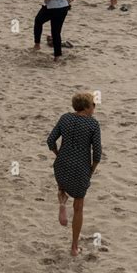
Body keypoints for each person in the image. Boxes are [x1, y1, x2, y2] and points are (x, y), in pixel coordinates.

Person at [47, 93, 102, 257]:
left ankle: (62, 201)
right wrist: (91, 169)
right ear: (86, 107)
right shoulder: (93, 124)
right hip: (80, 168)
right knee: (78, 208)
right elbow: (97, 154)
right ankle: (74, 247)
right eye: (93, 104)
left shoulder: (65, 118)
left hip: (62, 164)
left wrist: (59, 154)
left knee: (62, 183)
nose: (95, 108)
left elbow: (50, 141)